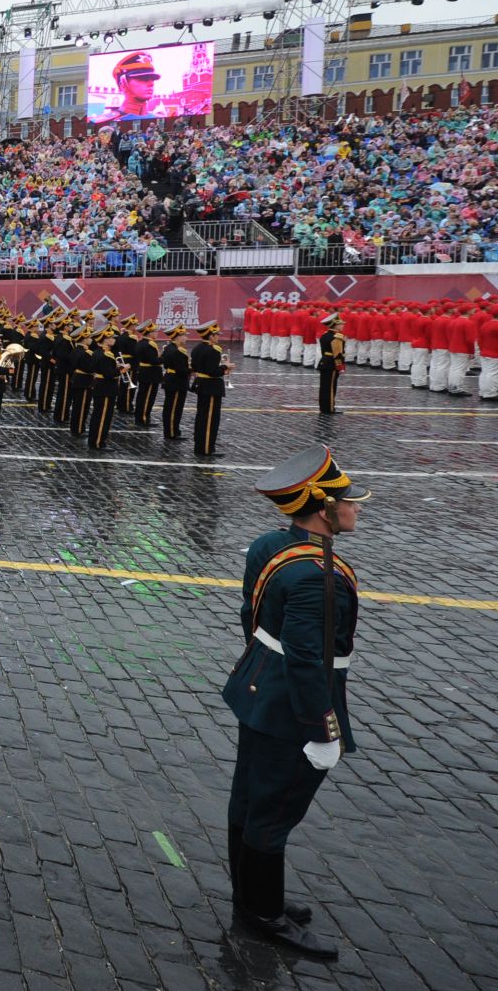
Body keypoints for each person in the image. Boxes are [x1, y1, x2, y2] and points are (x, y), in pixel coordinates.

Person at [223, 445, 368, 959]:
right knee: (274, 809)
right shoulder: (318, 576)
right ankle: (263, 914)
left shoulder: (270, 545)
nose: (355, 507)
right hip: (290, 708)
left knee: (249, 796)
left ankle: (250, 894)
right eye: (347, 501)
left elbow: (251, 615)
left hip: (258, 689)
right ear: (324, 509)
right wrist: (321, 729)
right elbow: (310, 661)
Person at [191, 323, 229, 457]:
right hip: (211, 387)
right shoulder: (213, 350)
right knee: (210, 420)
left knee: (201, 417)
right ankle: (206, 448)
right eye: (217, 334)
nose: (218, 337)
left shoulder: (197, 348)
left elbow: (195, 367)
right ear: (211, 336)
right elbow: (212, 371)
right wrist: (225, 367)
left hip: (201, 384)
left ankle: (199, 446)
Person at [160, 327, 191, 441]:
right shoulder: (177, 351)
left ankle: (172, 431)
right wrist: (192, 370)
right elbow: (181, 369)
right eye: (184, 335)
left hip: (171, 379)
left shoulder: (169, 347)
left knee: (170, 407)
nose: (186, 337)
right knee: (174, 409)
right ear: (178, 337)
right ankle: (171, 433)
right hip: (177, 381)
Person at [316, 314, 345, 416]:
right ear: (335, 325)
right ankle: (329, 408)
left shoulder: (325, 335)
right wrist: (340, 367)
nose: (342, 326)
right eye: (341, 324)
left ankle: (323, 407)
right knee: (331, 387)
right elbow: (338, 354)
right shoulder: (337, 337)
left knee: (324, 386)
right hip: (331, 364)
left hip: (324, 361)